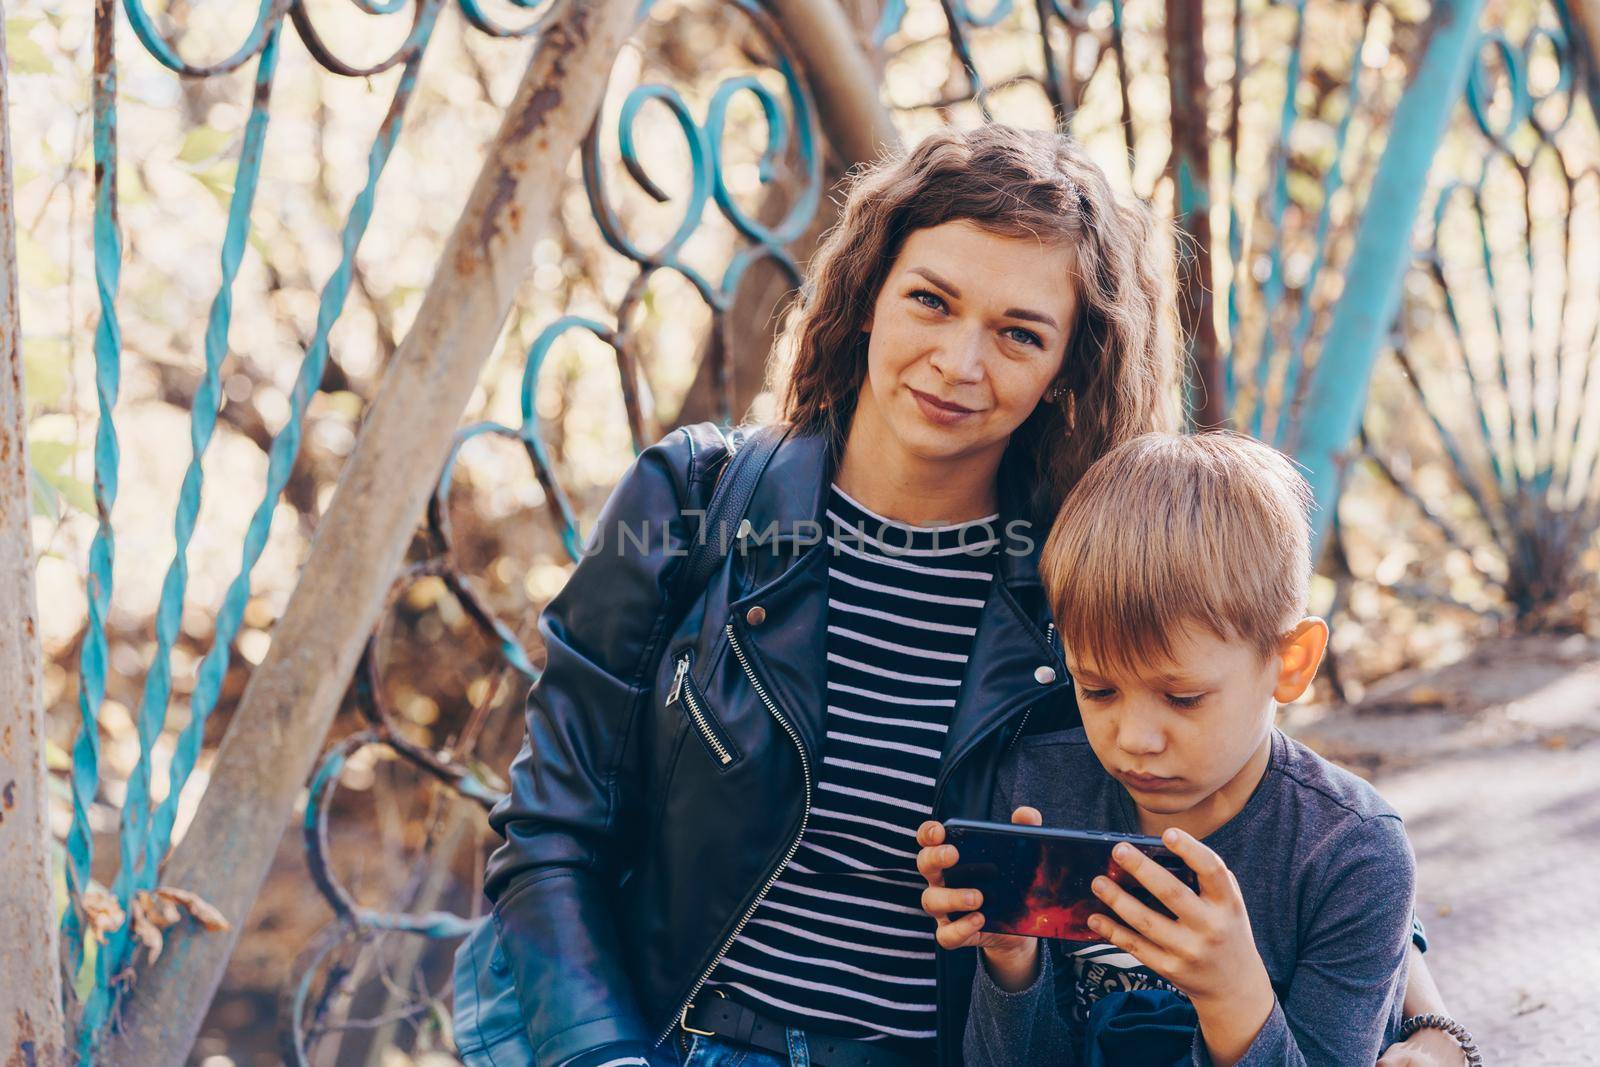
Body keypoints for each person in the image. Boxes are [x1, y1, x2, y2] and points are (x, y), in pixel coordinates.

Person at [456, 123, 1458, 1067]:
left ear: (1069, 365)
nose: (958, 363)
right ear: (866, 296)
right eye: (930, 301)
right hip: (673, 1034)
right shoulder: (692, 500)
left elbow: (1250, 790)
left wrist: (1421, 1011)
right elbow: (549, 826)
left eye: (1020, 333)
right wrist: (600, 1052)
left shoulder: (1081, 574)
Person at [916, 432, 1480, 1066]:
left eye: (1183, 699)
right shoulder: (1037, 793)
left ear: (1290, 664)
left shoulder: (1347, 852)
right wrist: (1011, 963)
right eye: (1097, 690)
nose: (1134, 740)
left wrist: (1233, 996)